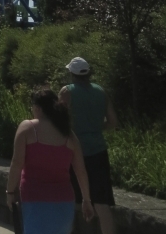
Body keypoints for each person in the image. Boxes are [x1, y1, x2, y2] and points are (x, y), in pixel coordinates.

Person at [6, 87, 94, 234]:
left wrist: (10, 191)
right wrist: (86, 200)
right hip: (64, 201)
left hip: (34, 199)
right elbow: (80, 170)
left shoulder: (28, 128)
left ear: (38, 108)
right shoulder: (68, 134)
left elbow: (17, 163)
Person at [60, 57, 119, 234]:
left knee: (69, 200)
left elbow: (59, 121)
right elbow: (113, 122)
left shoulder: (67, 92)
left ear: (72, 74)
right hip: (98, 151)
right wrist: (96, 127)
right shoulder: (101, 91)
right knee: (101, 202)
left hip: (74, 151)